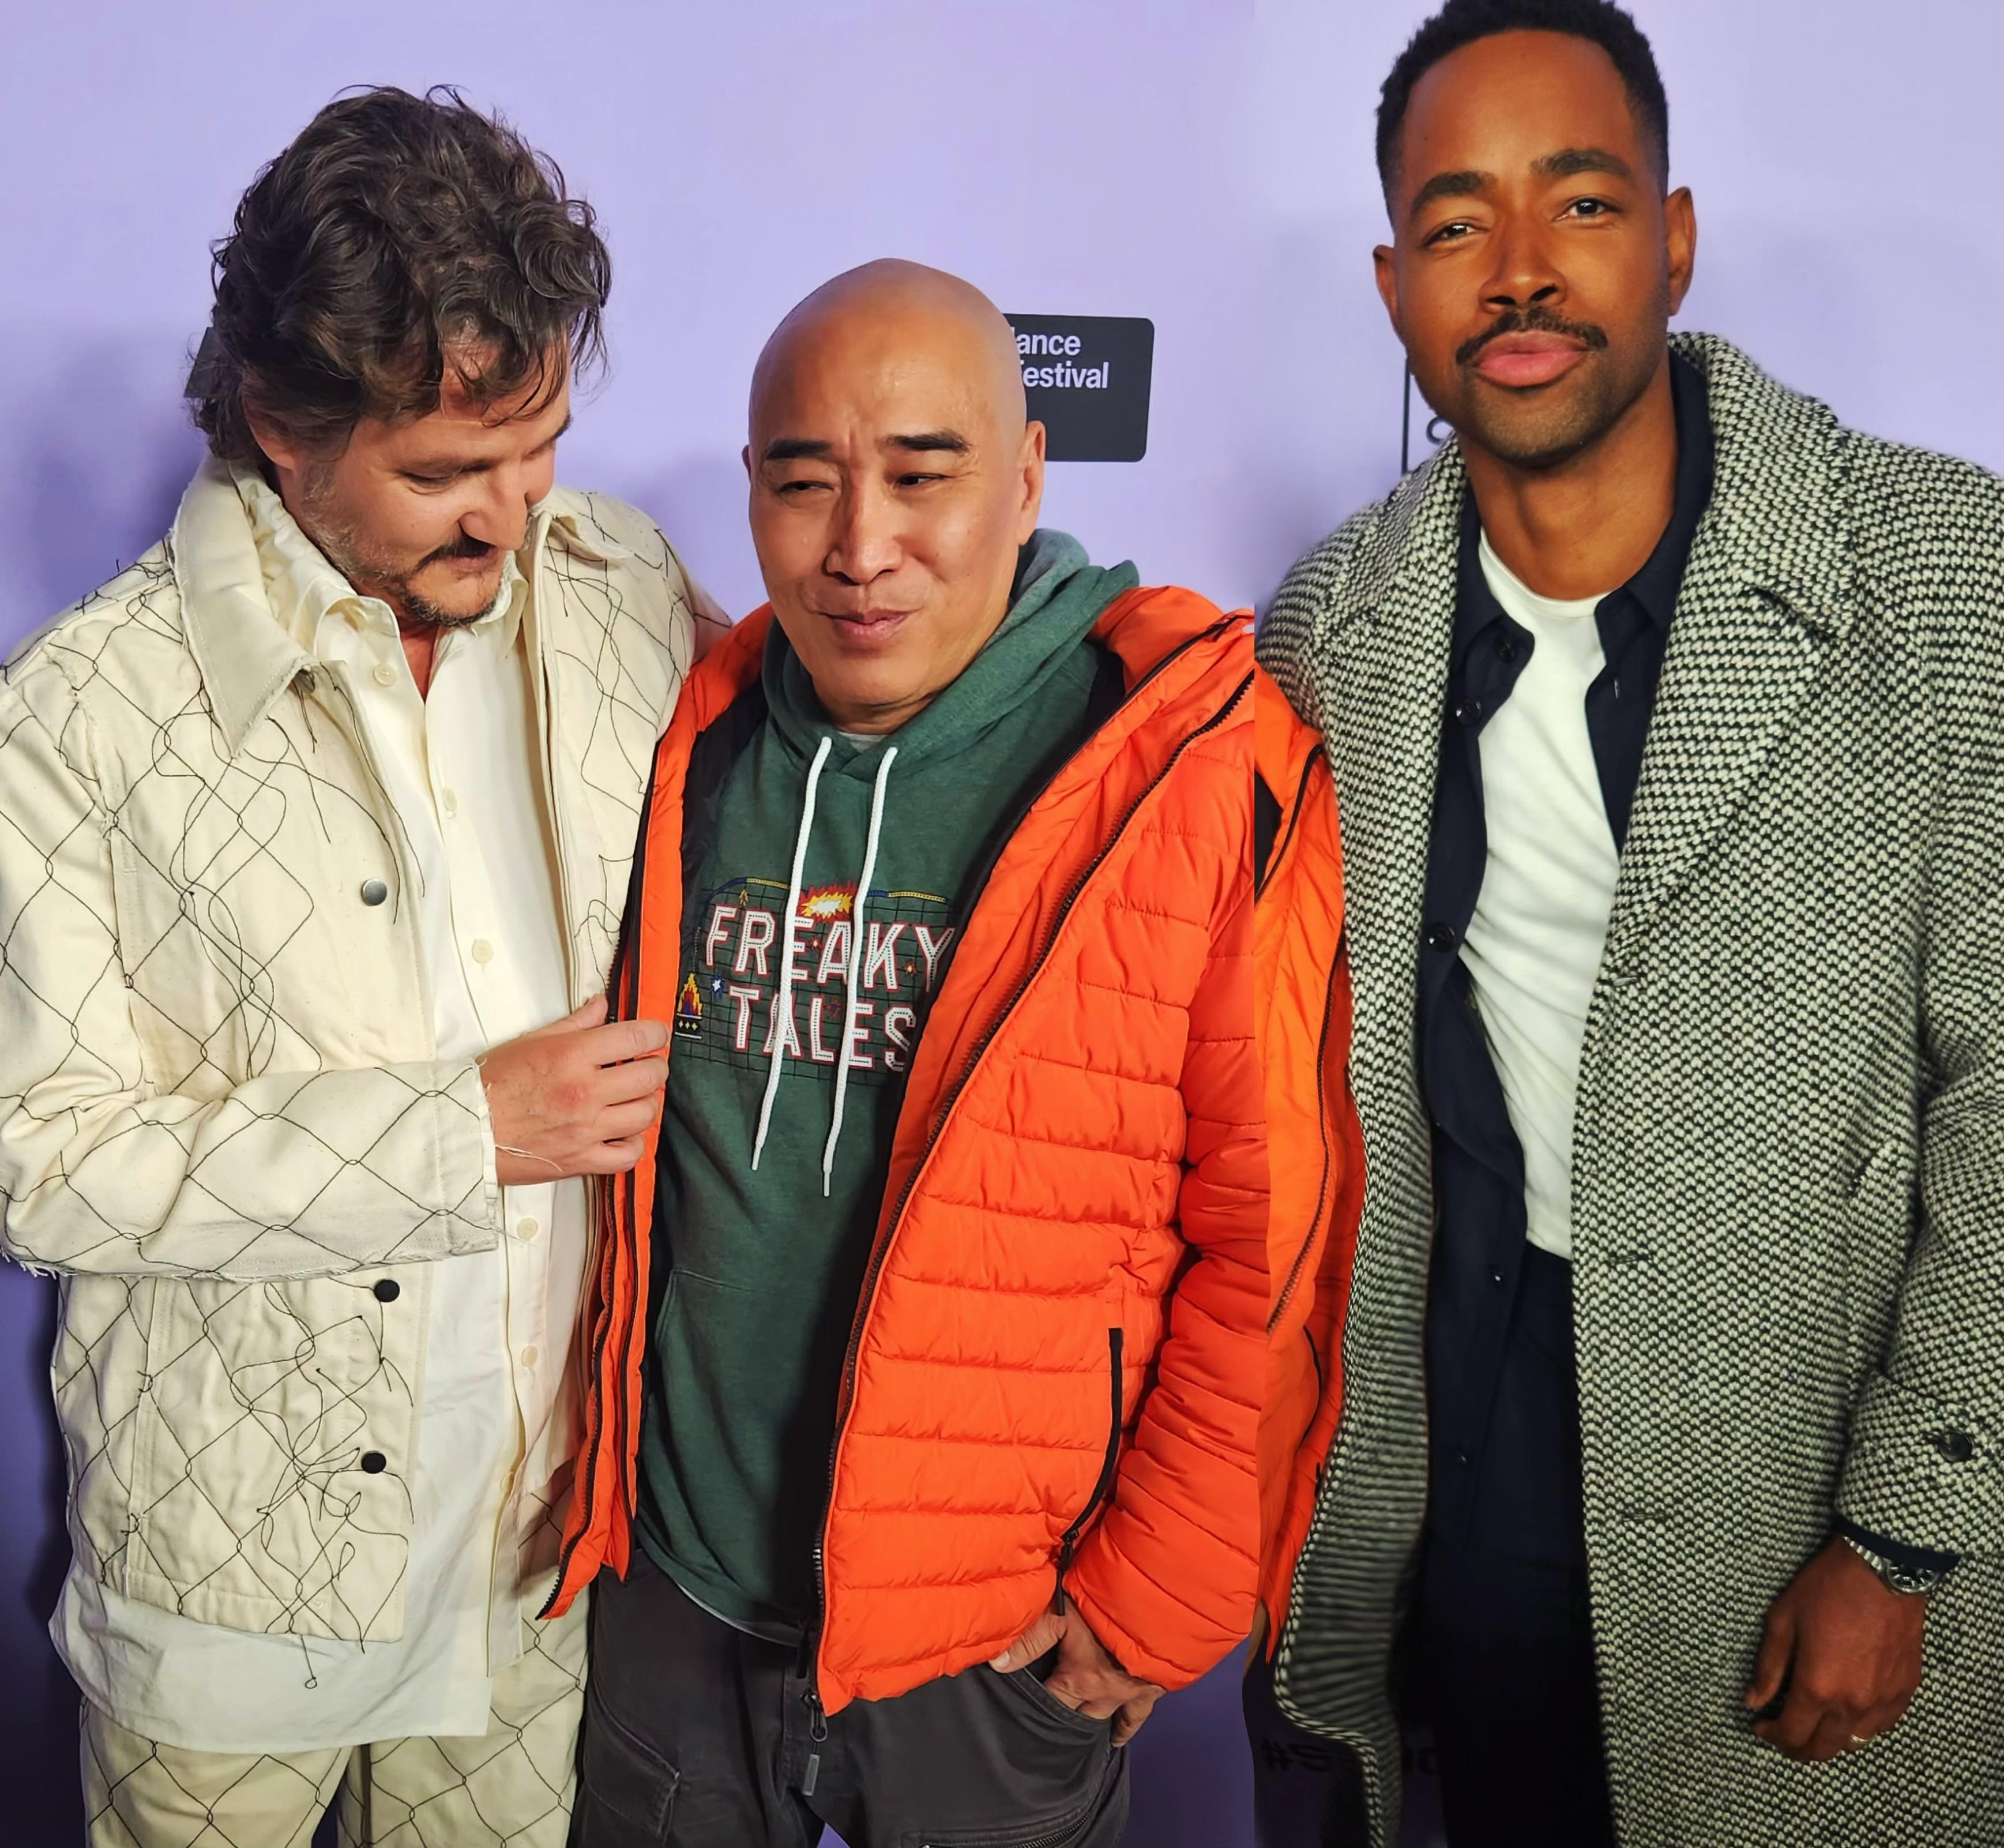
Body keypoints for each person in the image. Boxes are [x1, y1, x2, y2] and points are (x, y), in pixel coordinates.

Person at [1255, 3, 2004, 1846]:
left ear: (1671, 237)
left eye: (1577, 205)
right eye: (1454, 225)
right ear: (1390, 283)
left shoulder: (1936, 573)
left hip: (1808, 1452)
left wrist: (1903, 1532)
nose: (1518, 274)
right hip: (1470, 1451)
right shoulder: (1323, 637)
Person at [0, 87, 715, 1848]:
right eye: (445, 471)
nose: (515, 510)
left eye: (536, 442)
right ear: (279, 424)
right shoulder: (79, 718)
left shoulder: (623, 586)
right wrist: (459, 1128)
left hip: (541, 1558)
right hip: (230, 1596)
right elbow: (46, 1160)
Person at [549, 258, 1266, 1848]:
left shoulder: (1173, 763)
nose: (860, 548)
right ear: (751, 492)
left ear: (1024, 478)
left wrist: (1152, 1598)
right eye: (804, 484)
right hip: (677, 1597)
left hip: (988, 1639)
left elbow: (1268, 1234)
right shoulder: (698, 737)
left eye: (922, 476)